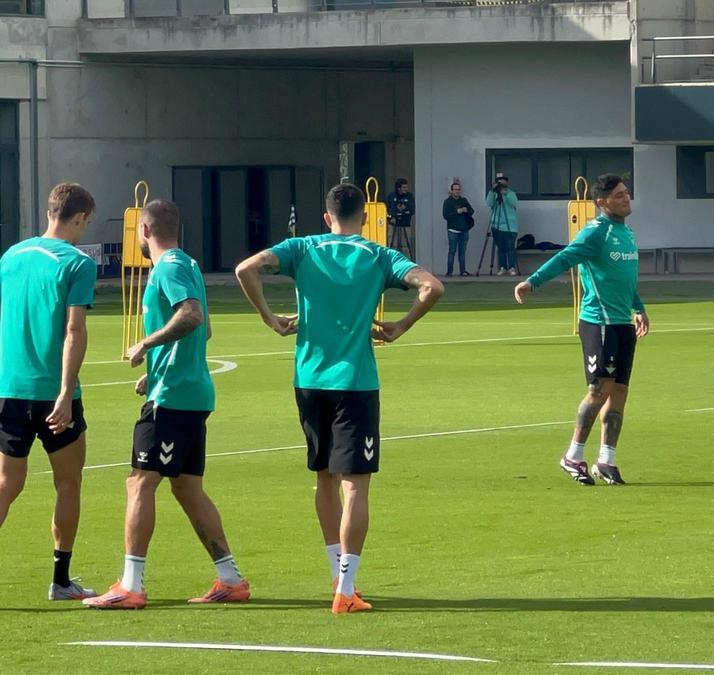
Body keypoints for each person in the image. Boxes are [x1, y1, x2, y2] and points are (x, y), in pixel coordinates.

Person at [235, 183, 443, 613]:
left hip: (309, 379)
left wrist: (269, 317)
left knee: (324, 479)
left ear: (327, 216)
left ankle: (336, 575)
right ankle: (347, 589)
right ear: (364, 217)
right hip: (355, 382)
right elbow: (432, 287)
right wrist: (403, 324)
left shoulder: (303, 247)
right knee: (356, 486)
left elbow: (246, 269)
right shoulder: (378, 255)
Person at [84, 200, 249, 610]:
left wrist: (147, 343)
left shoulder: (169, 268)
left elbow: (191, 316)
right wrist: (158, 368)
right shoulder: (188, 265)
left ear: (142, 230)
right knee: (187, 486)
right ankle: (230, 579)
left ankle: (131, 585)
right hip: (186, 391)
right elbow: (205, 329)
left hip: (173, 399)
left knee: (139, 482)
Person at [514, 174, 648, 486]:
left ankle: (607, 460)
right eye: (619, 195)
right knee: (599, 390)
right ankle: (572, 455)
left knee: (620, 393)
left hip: (622, 323)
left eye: (627, 193)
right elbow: (564, 258)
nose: (626, 198)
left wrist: (638, 307)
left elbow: (625, 278)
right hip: (598, 322)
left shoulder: (626, 233)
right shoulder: (595, 233)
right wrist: (531, 282)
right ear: (602, 202)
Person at [0, 183, 98, 602]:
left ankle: (62, 581)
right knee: (69, 483)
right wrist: (64, 393)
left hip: (9, 387)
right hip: (53, 392)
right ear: (78, 218)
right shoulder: (77, 262)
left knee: (6, 484)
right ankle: (60, 580)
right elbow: (74, 330)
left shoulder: (11, 256)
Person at [486, 172, 519, 276]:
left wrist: (506, 194)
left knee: (510, 247)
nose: (501, 183)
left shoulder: (511, 193)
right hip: (497, 225)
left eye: (503, 181)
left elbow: (515, 203)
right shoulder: (494, 194)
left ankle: (512, 267)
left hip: (510, 226)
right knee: (501, 248)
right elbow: (489, 203)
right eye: (499, 182)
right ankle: (502, 267)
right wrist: (492, 191)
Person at [442, 181, 474, 277]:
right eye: (455, 189)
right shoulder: (447, 202)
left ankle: (463, 271)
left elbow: (472, 211)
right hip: (453, 230)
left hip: (464, 230)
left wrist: (466, 210)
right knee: (452, 251)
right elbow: (445, 216)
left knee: (462, 251)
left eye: (458, 189)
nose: (457, 191)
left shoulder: (463, 200)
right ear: (451, 191)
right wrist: (457, 212)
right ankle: (449, 271)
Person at [385, 178, 414, 254]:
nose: (406, 189)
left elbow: (412, 209)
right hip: (393, 225)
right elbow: (385, 209)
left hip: (405, 224)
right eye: (404, 187)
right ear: (399, 188)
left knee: (406, 247)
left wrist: (404, 211)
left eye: (406, 187)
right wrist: (391, 218)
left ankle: (406, 263)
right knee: (392, 245)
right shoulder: (391, 196)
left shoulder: (409, 196)